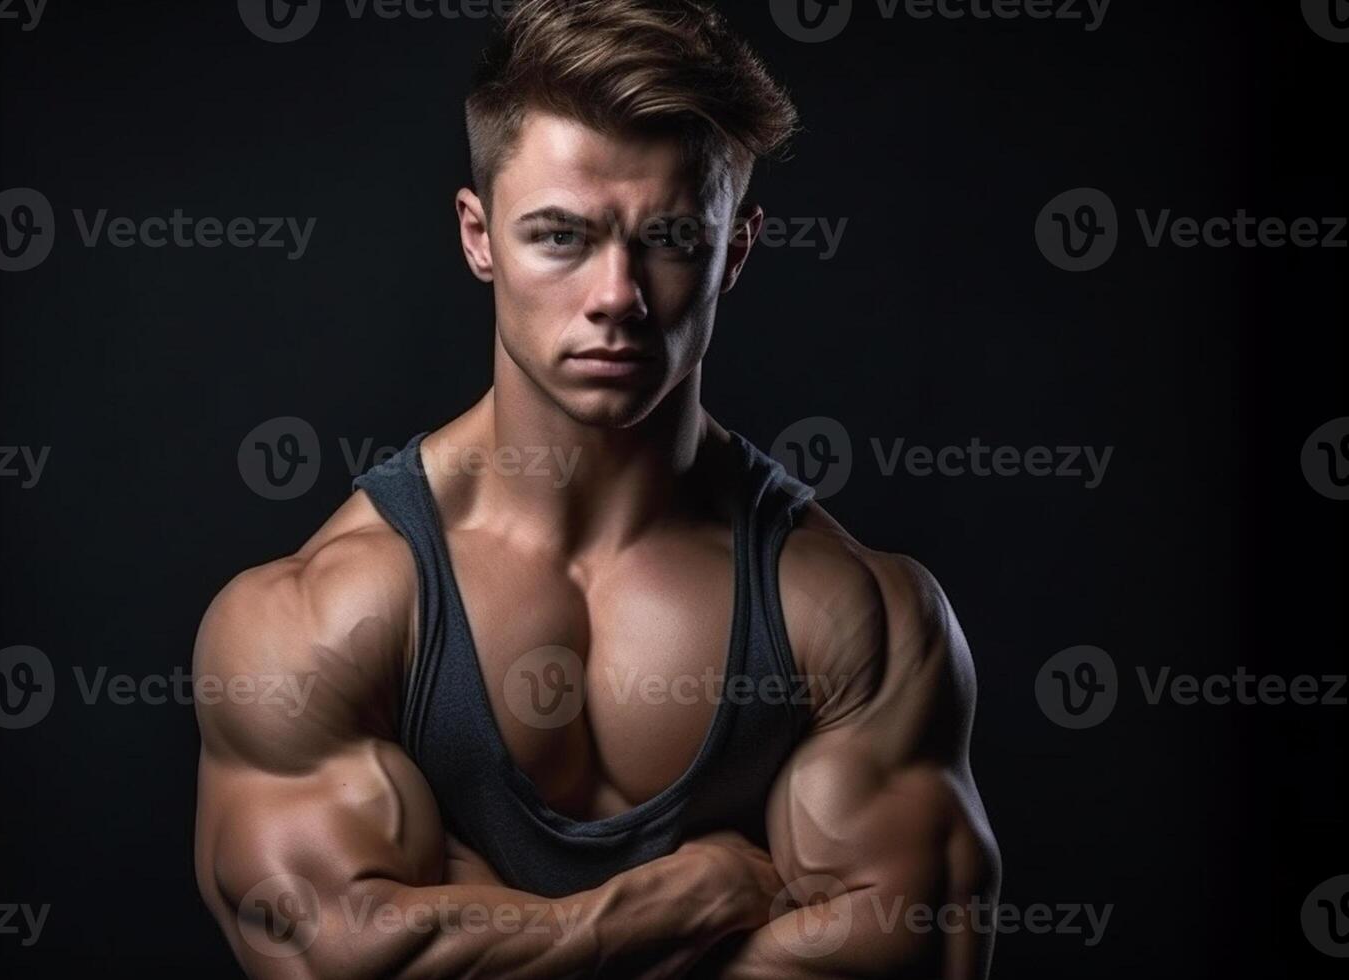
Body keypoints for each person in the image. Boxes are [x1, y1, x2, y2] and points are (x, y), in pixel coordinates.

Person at [194, 1, 999, 976]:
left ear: (733, 250)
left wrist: (502, 935)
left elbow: (910, 957)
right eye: (560, 236)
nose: (616, 295)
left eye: (665, 237)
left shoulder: (855, 614)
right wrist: (664, 904)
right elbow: (333, 956)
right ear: (478, 235)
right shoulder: (324, 614)